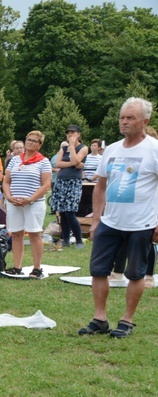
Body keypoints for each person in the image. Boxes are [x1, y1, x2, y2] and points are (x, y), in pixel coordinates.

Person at [79, 97, 158, 339]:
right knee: (98, 270)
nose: (124, 121)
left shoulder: (154, 149)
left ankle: (126, 320)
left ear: (145, 121)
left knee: (136, 273)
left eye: (130, 117)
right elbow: (101, 187)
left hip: (141, 224)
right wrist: (96, 220)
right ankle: (100, 318)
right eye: (122, 117)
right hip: (109, 222)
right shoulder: (111, 149)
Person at [1, 131, 52, 278]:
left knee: (34, 234)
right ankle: (17, 267)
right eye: (28, 139)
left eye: (34, 141)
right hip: (14, 202)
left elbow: (46, 185)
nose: (30, 142)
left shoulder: (44, 161)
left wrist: (30, 199)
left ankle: (37, 268)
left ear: (40, 144)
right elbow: (6, 181)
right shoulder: (15, 160)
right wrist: (9, 197)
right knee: (16, 234)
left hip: (33, 203)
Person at [51, 125, 88, 248]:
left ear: (79, 134)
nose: (70, 135)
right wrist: (74, 163)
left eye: (73, 132)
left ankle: (79, 240)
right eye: (68, 133)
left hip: (74, 182)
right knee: (62, 212)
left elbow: (77, 160)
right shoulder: (63, 147)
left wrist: (72, 147)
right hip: (61, 181)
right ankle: (65, 240)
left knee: (70, 212)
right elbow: (58, 163)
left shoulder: (83, 148)